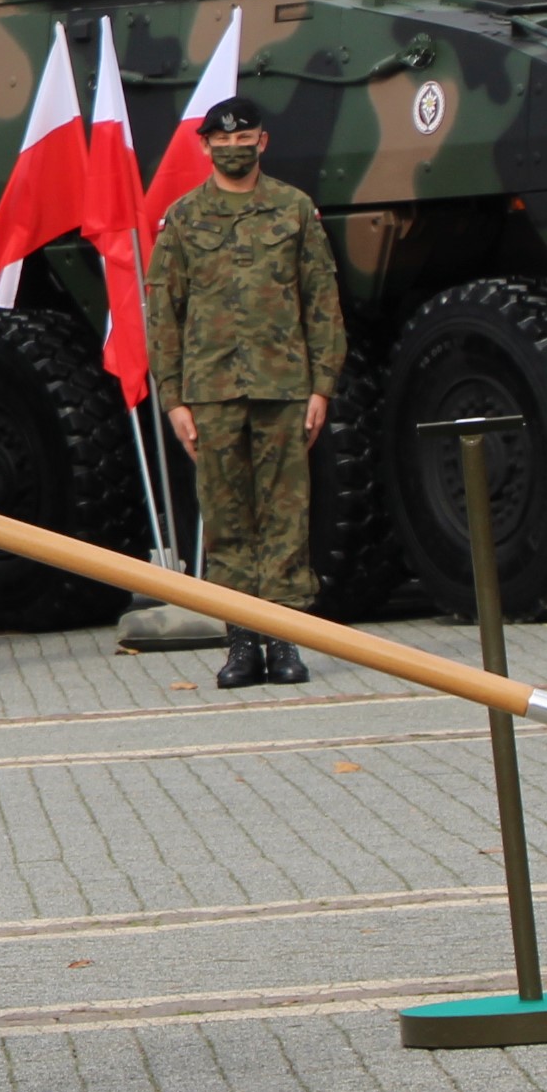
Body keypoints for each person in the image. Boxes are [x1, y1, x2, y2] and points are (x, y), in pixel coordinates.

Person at [148, 97, 346, 689]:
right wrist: (174, 399)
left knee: (286, 515)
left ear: (262, 141)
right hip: (210, 393)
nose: (233, 146)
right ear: (204, 145)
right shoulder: (183, 219)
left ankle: (284, 640)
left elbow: (323, 304)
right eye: (221, 139)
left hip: (284, 387)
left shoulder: (293, 210)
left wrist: (322, 387)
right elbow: (164, 313)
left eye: (245, 137)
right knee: (227, 518)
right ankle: (241, 643)